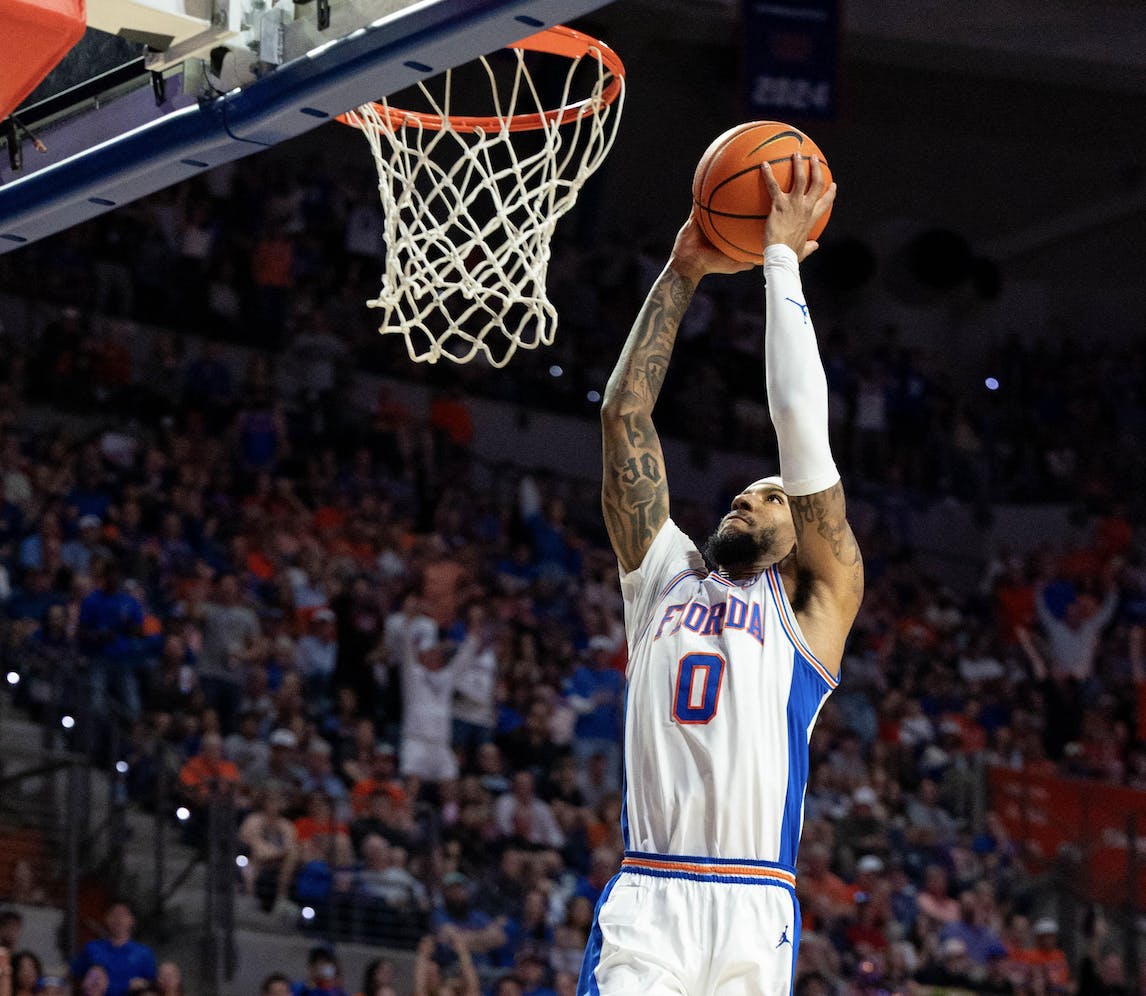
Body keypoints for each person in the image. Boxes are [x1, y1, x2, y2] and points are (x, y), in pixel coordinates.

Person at [580, 154, 861, 995]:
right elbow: (624, 413)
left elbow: (801, 428)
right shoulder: (662, 577)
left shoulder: (815, 606)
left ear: (800, 530)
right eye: (745, 490)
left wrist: (778, 257)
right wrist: (683, 269)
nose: (750, 493)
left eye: (771, 496)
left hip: (753, 905)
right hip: (651, 896)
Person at [71, 901, 157, 996]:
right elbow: (75, 977)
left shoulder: (143, 953)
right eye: (114, 914)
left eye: (123, 915)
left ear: (132, 920)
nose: (118, 919)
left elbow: (151, 985)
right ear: (106, 918)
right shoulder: (92, 948)